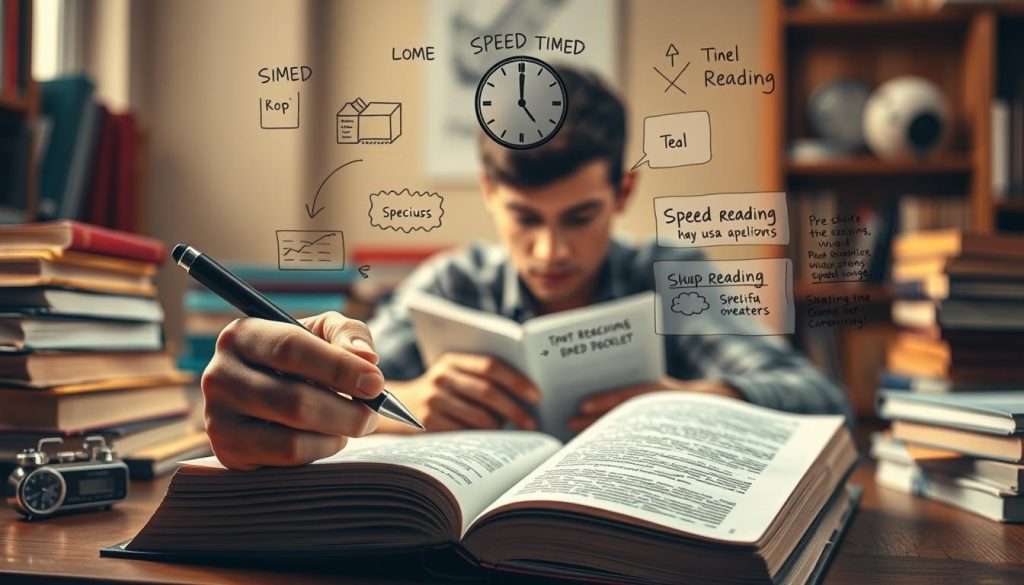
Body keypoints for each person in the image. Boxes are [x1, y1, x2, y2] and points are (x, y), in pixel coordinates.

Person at [202, 66, 849, 469]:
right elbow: (348, 386)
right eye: (525, 218)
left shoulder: (670, 272)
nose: (550, 252)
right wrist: (401, 401)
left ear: (623, 194)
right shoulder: (453, 284)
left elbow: (824, 401)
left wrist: (698, 402)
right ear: (489, 192)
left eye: (579, 217)